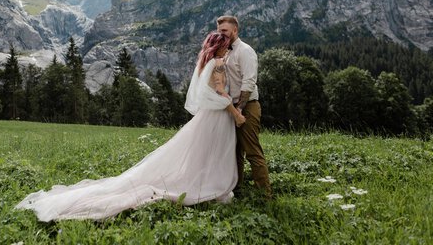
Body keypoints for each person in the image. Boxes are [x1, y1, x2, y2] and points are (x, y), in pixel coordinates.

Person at [15, 32, 246, 221]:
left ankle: (204, 183)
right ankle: (211, 188)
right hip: (217, 116)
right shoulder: (218, 64)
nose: (228, 49)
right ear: (219, 47)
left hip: (208, 115)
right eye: (226, 45)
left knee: (202, 152)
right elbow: (219, 91)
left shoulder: (206, 63)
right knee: (215, 152)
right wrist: (235, 111)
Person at [217, 15, 272, 198]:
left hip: (247, 106)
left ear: (235, 30)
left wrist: (239, 110)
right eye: (219, 31)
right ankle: (237, 188)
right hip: (231, 107)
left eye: (224, 31)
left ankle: (264, 194)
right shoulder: (226, 52)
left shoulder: (245, 51)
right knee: (234, 152)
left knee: (252, 151)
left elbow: (248, 83)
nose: (221, 34)